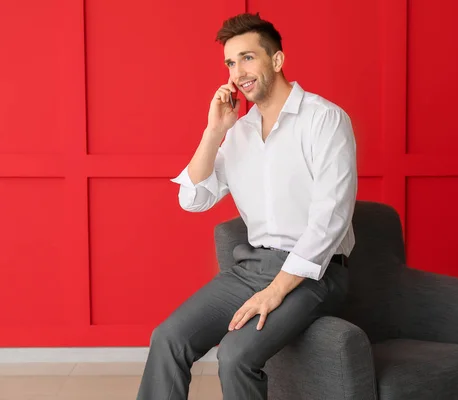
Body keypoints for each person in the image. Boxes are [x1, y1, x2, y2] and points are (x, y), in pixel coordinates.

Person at [136, 12, 357, 400]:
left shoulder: (324, 120)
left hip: (315, 273)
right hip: (251, 267)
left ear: (277, 60)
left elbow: (331, 219)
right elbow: (193, 198)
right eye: (230, 63)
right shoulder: (238, 133)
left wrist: (275, 291)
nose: (238, 71)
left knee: (236, 355)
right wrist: (214, 131)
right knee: (168, 338)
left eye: (248, 57)